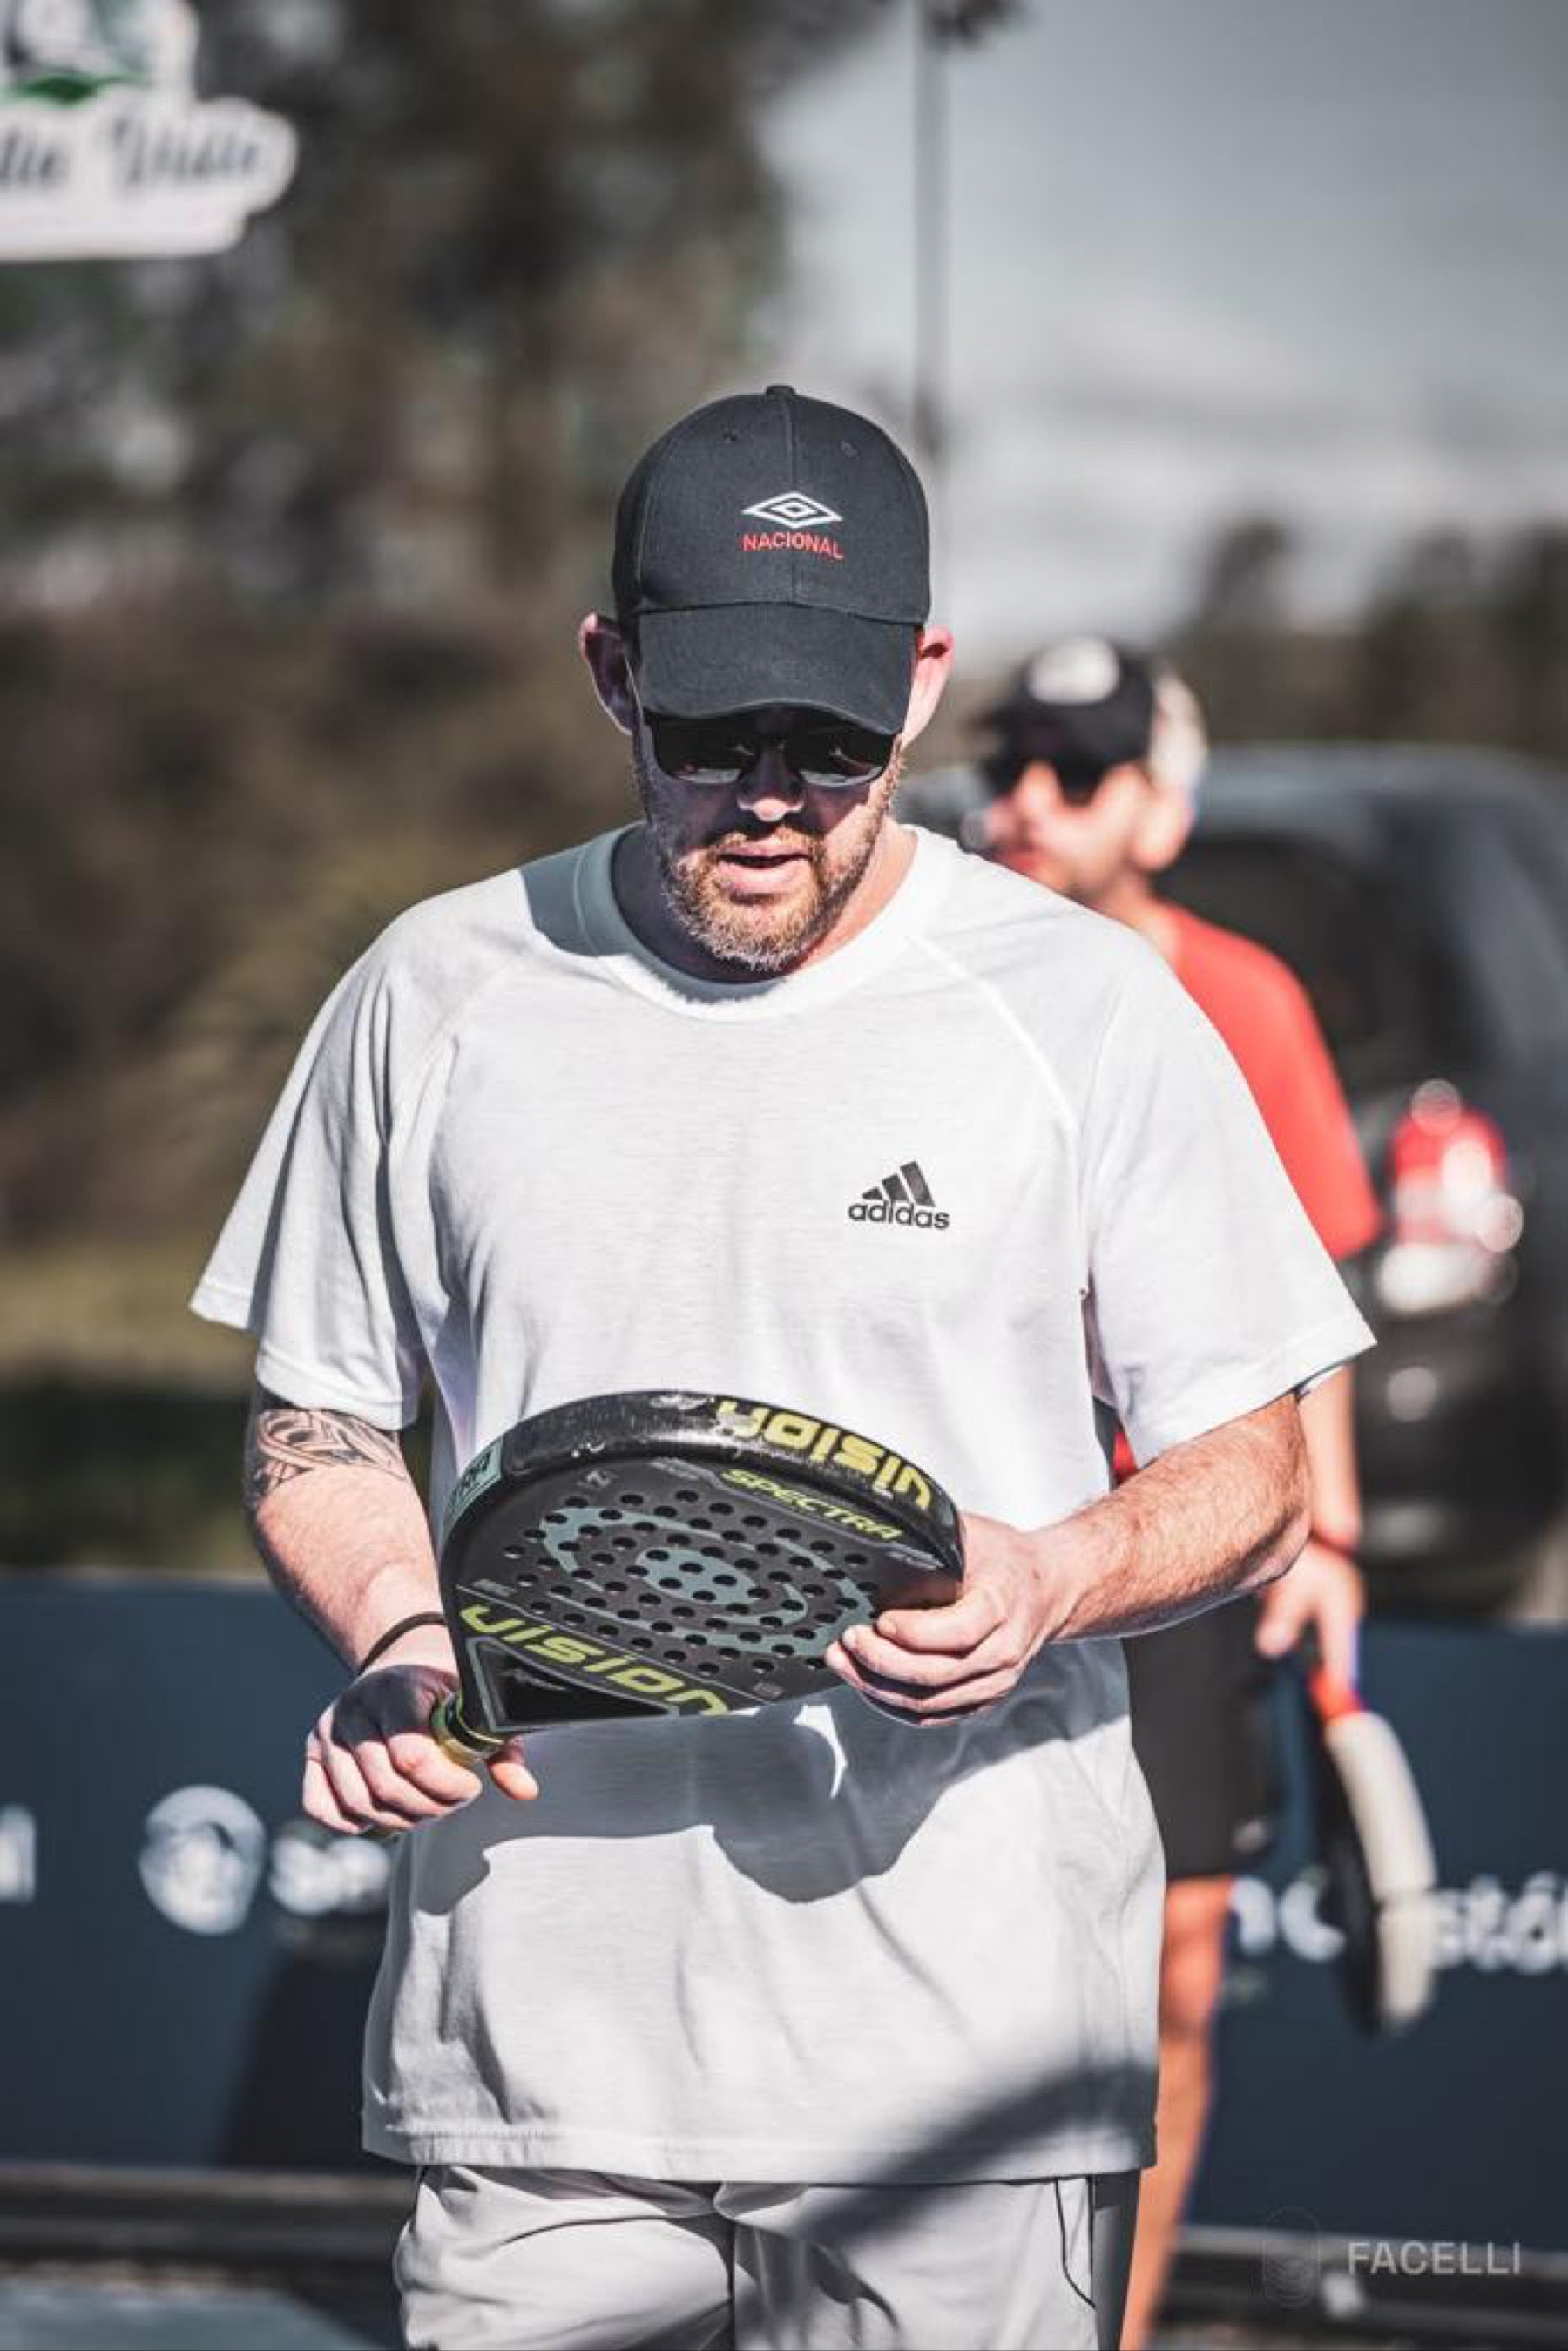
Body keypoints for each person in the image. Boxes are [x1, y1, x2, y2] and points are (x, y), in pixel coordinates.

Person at [192, 388, 1373, 2351]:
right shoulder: (431, 992)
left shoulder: (1095, 1013)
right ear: (611, 674)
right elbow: (319, 1419)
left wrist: (1055, 1576)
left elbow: (1257, 1464)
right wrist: (401, 1636)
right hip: (537, 2075)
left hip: (970, 2078)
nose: (767, 796)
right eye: (708, 730)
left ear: (922, 687)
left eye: (828, 741)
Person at [970, 635, 1383, 2351]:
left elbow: (1310, 1298)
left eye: (1077, 771)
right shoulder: (913, 971)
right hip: (949, 1539)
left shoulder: (1243, 999)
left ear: (1161, 806)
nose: (1028, 802)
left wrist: (1326, 1534)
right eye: (1010, 763)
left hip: (1170, 1553)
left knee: (1177, 1978)